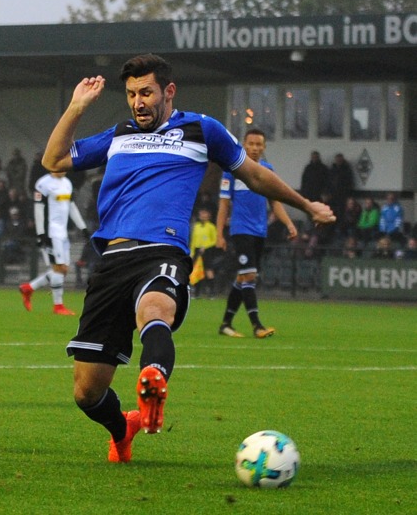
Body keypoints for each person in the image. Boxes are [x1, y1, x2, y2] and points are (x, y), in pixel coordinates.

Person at [40, 54, 334, 464]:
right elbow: (52, 160)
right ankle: (123, 428)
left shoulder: (201, 129)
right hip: (111, 259)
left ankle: (154, 378)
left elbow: (255, 175)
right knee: (87, 392)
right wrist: (75, 108)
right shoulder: (119, 133)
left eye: (146, 92)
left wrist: (306, 205)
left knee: (155, 309)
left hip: (163, 249)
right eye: (131, 95)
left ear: (168, 91)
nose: (138, 102)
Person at [215, 128, 298, 339]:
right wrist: (219, 234)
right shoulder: (231, 171)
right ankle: (257, 326)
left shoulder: (267, 170)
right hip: (240, 230)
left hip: (260, 232)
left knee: (244, 278)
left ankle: (226, 324)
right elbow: (224, 205)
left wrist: (289, 224)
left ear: (264, 147)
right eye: (250, 144)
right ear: (244, 145)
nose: (254, 148)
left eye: (259, 144)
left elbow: (275, 202)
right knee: (249, 276)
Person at [19, 171, 89, 315]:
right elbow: (38, 210)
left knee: (62, 270)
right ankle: (58, 306)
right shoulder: (43, 184)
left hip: (63, 234)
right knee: (58, 269)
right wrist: (41, 234)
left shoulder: (67, 183)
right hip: (51, 233)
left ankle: (28, 288)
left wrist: (83, 227)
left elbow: (71, 206)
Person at [188, 207, 218, 298]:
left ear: (209, 215)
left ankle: (211, 292)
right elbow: (193, 240)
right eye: (202, 213)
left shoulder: (211, 226)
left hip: (207, 250)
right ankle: (196, 293)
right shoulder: (196, 226)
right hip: (197, 250)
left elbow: (215, 240)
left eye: (205, 213)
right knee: (196, 271)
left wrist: (205, 246)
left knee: (208, 270)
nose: (203, 215)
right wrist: (192, 252)